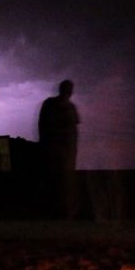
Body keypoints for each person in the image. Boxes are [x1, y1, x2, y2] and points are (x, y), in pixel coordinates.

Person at [38, 80, 80, 217]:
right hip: (55, 150)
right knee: (56, 182)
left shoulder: (69, 107)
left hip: (65, 151)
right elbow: (44, 126)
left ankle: (64, 211)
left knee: (64, 182)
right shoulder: (51, 105)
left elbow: (73, 130)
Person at [38, 79, 80, 171]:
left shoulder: (70, 107)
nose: (69, 92)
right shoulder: (50, 103)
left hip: (66, 149)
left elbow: (74, 128)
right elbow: (43, 125)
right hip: (54, 148)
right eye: (68, 89)